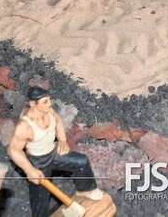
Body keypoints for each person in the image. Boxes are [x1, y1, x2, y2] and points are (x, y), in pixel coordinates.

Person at [7, 86, 103, 217]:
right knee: (40, 196)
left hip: (53, 153)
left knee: (81, 162)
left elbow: (58, 121)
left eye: (49, 100)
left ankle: (85, 190)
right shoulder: (24, 126)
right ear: (33, 104)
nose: (49, 104)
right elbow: (13, 150)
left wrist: (62, 140)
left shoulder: (49, 111)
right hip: (38, 163)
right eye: (45, 102)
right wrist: (29, 170)